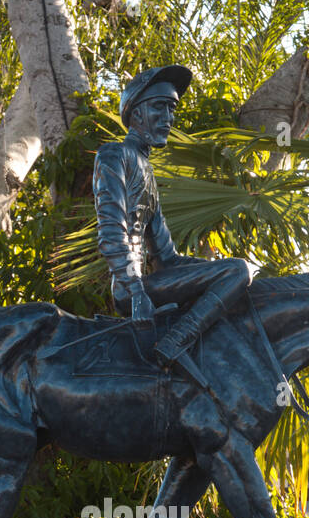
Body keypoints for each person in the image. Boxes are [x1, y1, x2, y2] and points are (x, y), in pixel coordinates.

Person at [92, 65, 255, 379]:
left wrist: (212, 269)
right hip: (132, 289)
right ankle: (174, 343)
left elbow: (167, 258)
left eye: (172, 108)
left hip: (149, 285)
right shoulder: (114, 155)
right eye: (159, 107)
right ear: (136, 114)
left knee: (236, 269)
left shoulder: (148, 173)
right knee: (238, 270)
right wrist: (137, 293)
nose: (168, 117)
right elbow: (111, 230)